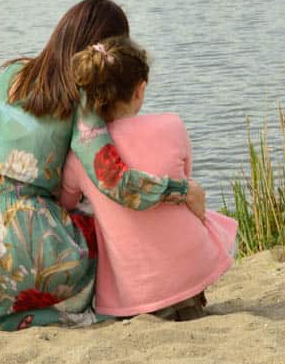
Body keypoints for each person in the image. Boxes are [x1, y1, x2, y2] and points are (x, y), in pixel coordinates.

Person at [0, 0, 206, 330]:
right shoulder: (80, 99)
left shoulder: (13, 74)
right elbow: (117, 183)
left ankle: (8, 308)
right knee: (103, 220)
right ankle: (99, 305)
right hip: (16, 244)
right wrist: (183, 190)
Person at [59, 36, 238, 321]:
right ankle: (189, 298)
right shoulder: (173, 125)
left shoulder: (80, 155)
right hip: (192, 266)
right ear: (139, 90)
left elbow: (65, 202)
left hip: (133, 290)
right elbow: (185, 180)